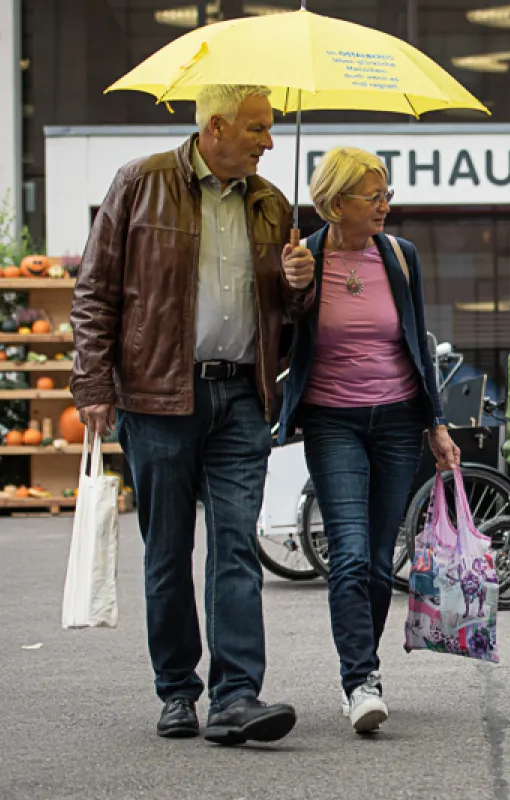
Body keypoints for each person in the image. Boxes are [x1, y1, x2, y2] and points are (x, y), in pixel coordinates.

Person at [70, 84, 316, 745]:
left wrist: (299, 286)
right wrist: (93, 383)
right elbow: (94, 291)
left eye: (270, 129)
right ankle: (177, 689)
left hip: (240, 395)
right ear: (216, 128)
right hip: (157, 396)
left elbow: (286, 317)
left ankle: (236, 694)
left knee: (236, 547)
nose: (269, 140)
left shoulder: (271, 203)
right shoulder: (140, 183)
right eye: (258, 128)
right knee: (168, 551)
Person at [277, 146, 460, 734]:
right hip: (334, 422)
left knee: (381, 563)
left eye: (387, 194)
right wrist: (292, 289)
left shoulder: (400, 258)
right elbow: (279, 340)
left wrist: (435, 421)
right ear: (334, 203)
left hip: (399, 423)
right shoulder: (303, 258)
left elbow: (418, 344)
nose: (386, 204)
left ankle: (364, 672)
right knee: (350, 554)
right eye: (373, 196)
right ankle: (360, 680)